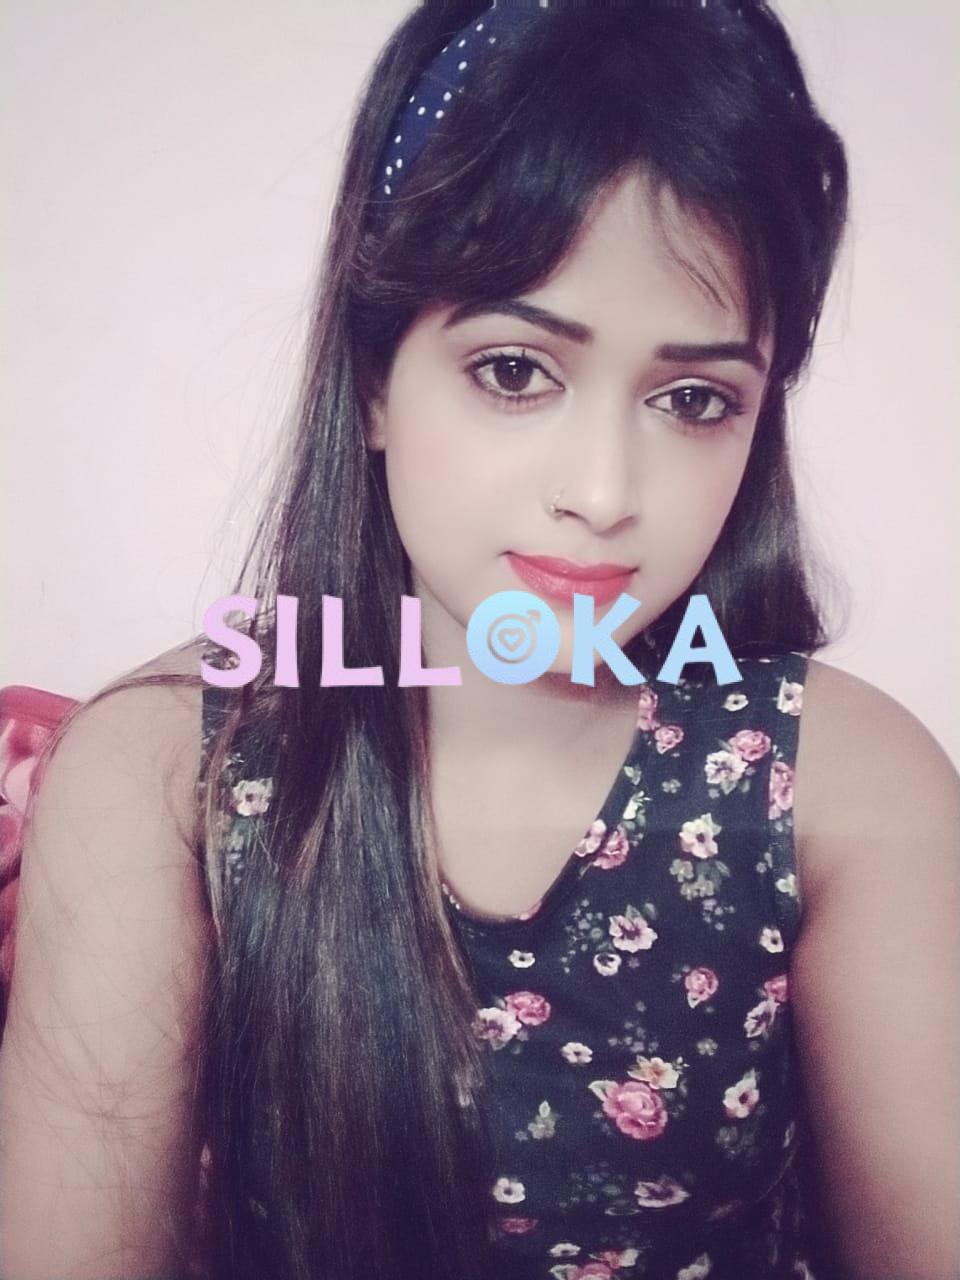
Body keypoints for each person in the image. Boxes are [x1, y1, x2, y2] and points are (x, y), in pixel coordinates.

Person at [1, 2, 957, 1278]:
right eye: (516, 371)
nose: (604, 491)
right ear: (376, 378)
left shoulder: (843, 780)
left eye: (692, 398)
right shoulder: (162, 771)